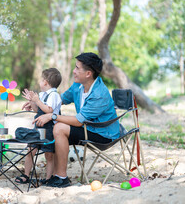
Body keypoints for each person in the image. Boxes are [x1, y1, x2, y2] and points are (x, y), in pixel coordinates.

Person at [33, 52, 120, 187]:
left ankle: (62, 178)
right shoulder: (78, 86)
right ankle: (55, 176)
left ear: (88, 74)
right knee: (55, 127)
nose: (74, 71)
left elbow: (79, 121)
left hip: (103, 134)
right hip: (87, 128)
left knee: (59, 127)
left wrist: (52, 115)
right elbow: (59, 99)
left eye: (77, 68)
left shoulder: (99, 94)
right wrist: (39, 103)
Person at [15, 68, 62, 185]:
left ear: (45, 82)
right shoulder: (42, 94)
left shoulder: (54, 95)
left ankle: (48, 178)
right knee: (30, 150)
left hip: (50, 129)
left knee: (49, 154)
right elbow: (38, 110)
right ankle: (26, 174)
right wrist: (32, 102)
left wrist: (37, 100)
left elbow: (49, 110)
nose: (40, 82)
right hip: (38, 126)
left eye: (41, 80)